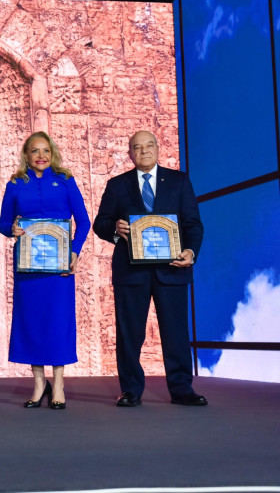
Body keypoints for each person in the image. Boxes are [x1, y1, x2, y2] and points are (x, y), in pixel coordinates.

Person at [93, 130, 206, 407]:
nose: (144, 151)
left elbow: (192, 223)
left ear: (158, 148)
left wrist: (191, 251)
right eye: (137, 147)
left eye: (149, 145)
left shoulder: (179, 181)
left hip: (172, 269)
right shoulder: (117, 185)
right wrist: (115, 230)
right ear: (130, 154)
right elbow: (101, 223)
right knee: (129, 333)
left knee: (176, 332)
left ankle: (182, 390)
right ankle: (130, 390)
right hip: (131, 272)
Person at [0, 132, 89, 409]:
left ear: (52, 153)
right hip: (28, 266)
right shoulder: (14, 184)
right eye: (35, 151)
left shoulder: (65, 180)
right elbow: (3, 224)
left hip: (59, 267)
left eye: (45, 151)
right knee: (32, 322)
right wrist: (11, 229)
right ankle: (39, 384)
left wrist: (74, 253)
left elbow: (83, 222)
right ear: (26, 155)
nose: (41, 156)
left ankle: (58, 384)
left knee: (58, 322)